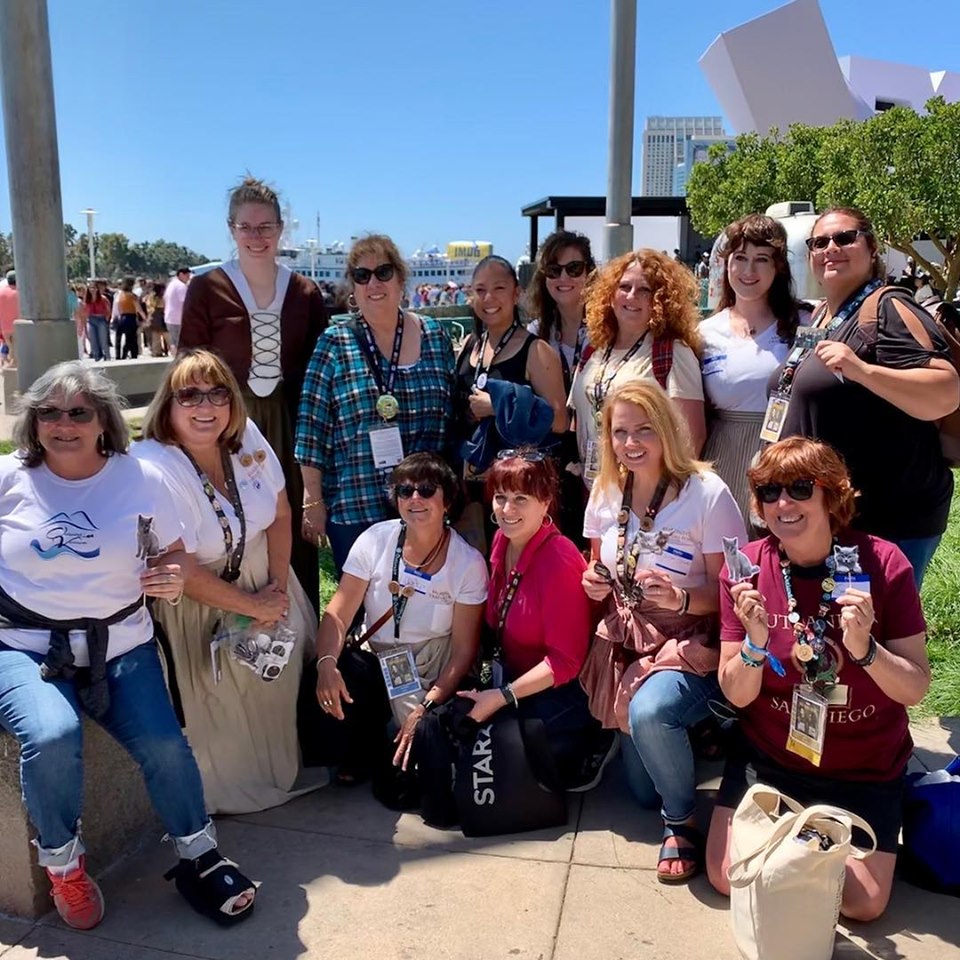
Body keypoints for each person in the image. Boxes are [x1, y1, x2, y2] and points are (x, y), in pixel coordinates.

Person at [0, 362, 256, 930]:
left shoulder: (141, 477)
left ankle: (199, 854)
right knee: (52, 734)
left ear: (103, 420)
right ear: (33, 420)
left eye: (79, 412)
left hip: (120, 643)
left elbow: (174, 553)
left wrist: (170, 577)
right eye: (49, 412)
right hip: (25, 646)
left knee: (166, 746)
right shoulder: (8, 477)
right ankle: (64, 866)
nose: (64, 424)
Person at [706, 437, 930, 922]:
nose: (783, 503)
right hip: (772, 757)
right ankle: (802, 837)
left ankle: (800, 837)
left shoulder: (884, 563)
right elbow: (736, 694)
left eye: (800, 488)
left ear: (831, 494)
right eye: (769, 492)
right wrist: (755, 645)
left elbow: (915, 688)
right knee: (726, 877)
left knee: (862, 904)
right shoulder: (745, 570)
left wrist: (866, 650)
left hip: (862, 766)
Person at [134, 349, 320, 814]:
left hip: (265, 575)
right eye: (190, 395)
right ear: (168, 404)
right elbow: (181, 567)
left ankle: (278, 773)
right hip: (200, 601)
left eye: (218, 393)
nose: (206, 406)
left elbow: (280, 512)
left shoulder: (245, 437)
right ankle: (223, 798)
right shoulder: (153, 466)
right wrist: (253, 607)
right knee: (221, 709)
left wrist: (276, 590)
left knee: (273, 687)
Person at [579, 380, 745, 884]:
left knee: (649, 715)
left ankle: (682, 822)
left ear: (668, 430)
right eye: (620, 431)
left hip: (694, 638)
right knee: (642, 792)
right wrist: (592, 581)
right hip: (630, 635)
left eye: (644, 429)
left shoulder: (706, 493)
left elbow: (734, 593)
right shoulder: (606, 491)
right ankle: (694, 734)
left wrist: (681, 599)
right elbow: (597, 564)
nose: (631, 443)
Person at [771, 207, 959, 585]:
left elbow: (946, 390)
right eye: (819, 242)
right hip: (831, 514)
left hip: (888, 521)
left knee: (875, 621)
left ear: (871, 249)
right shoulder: (822, 316)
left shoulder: (888, 307)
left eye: (845, 238)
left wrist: (862, 371)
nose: (831, 248)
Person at [180, 177, 328, 603]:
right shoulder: (207, 288)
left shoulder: (304, 292)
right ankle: (235, 615)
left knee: (290, 517)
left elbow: (318, 371)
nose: (256, 236)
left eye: (265, 226)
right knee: (230, 516)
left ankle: (296, 622)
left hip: (288, 420)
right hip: (224, 420)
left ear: (281, 229)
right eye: (246, 227)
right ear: (232, 229)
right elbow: (188, 365)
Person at [308, 453, 486, 789]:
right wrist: (326, 664)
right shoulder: (375, 540)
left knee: (423, 758)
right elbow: (338, 613)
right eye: (405, 491)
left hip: (435, 660)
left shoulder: (468, 562)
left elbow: (465, 650)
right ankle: (360, 750)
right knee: (331, 680)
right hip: (379, 654)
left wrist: (426, 706)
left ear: (447, 501)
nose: (415, 498)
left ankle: (406, 745)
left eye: (427, 490)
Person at [458, 449, 616, 790]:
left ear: (545, 502)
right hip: (516, 677)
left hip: (567, 689)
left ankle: (598, 739)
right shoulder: (503, 539)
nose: (507, 510)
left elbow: (566, 663)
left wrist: (501, 696)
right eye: (500, 497)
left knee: (503, 743)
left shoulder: (558, 560)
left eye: (521, 499)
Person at [296, 234, 453, 576]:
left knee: (423, 598)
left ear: (400, 279)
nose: (373, 283)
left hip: (424, 500)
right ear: (353, 287)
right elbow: (311, 430)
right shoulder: (334, 343)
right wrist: (313, 502)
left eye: (383, 272)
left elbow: (452, 414)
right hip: (357, 502)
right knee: (362, 601)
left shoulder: (434, 336)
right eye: (362, 275)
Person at [453, 255, 568, 546]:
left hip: (517, 492)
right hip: (473, 486)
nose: (488, 298)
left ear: (517, 294)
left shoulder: (536, 351)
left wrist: (499, 407)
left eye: (499, 288)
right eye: (480, 290)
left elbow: (559, 421)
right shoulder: (469, 345)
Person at [700, 215, 805, 526]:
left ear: (779, 266)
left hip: (788, 452)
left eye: (761, 259)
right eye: (740, 258)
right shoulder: (703, 333)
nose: (749, 270)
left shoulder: (806, 322)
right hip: (723, 455)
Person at [570, 249, 705, 489]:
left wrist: (663, 493)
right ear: (610, 294)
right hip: (595, 490)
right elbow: (580, 417)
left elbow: (692, 437)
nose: (632, 296)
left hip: (646, 491)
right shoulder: (594, 350)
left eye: (645, 290)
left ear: (661, 299)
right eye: (624, 287)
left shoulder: (673, 353)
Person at [525, 231, 597, 541]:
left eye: (574, 268)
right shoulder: (536, 333)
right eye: (554, 270)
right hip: (555, 459)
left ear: (589, 272)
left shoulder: (608, 328)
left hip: (600, 454)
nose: (563, 278)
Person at [111, 277, 147, 360]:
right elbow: (139, 309)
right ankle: (129, 354)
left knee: (118, 338)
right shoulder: (132, 296)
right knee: (131, 338)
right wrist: (145, 318)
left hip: (121, 317)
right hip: (130, 317)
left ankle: (118, 355)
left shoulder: (119, 295)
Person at [163, 266, 191, 351]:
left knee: (174, 342)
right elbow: (185, 303)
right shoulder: (181, 286)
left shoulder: (171, 284)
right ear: (181, 274)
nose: (188, 278)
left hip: (170, 317)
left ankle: (175, 357)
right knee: (180, 343)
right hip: (178, 318)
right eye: (187, 276)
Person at [84, 283, 112, 362]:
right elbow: (85, 311)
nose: (92, 289)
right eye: (90, 288)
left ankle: (107, 357)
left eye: (94, 288)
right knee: (93, 341)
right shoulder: (87, 299)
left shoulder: (103, 298)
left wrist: (106, 320)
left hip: (101, 320)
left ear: (97, 289)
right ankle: (97, 357)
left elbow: (108, 310)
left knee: (103, 340)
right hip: (91, 320)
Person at [144, 281, 169, 356]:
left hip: (153, 317)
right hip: (162, 316)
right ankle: (173, 349)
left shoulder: (150, 297)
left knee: (155, 335)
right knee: (167, 335)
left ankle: (157, 352)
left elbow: (148, 306)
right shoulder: (163, 297)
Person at [0, 270, 18, 367]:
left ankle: (8, 369)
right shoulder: (20, 292)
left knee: (12, 350)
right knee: (16, 354)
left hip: (5, 329)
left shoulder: (1, 292)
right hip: (18, 326)